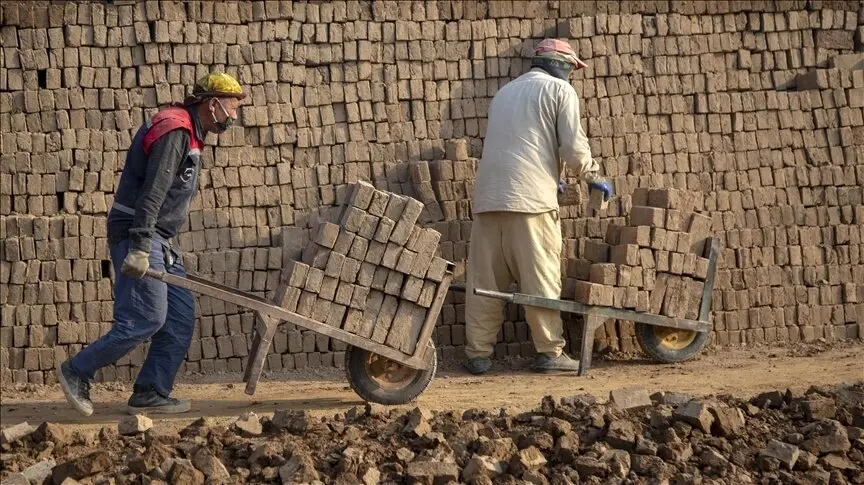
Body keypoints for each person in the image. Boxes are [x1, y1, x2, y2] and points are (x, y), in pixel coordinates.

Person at [56, 73, 246, 416]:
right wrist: (141, 247)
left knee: (179, 316)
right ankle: (78, 369)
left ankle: (150, 391)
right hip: (138, 231)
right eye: (232, 107)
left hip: (160, 238)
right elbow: (153, 192)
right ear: (212, 103)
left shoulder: (190, 134)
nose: (233, 116)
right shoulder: (176, 131)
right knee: (145, 318)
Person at [464, 39, 613, 375]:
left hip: (488, 200)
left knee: (486, 282)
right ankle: (549, 352)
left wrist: (554, 176)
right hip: (531, 203)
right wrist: (593, 177)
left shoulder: (504, 94)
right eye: (573, 69)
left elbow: (523, 142)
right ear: (561, 64)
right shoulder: (561, 92)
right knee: (540, 280)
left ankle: (477, 354)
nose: (573, 77)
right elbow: (573, 145)